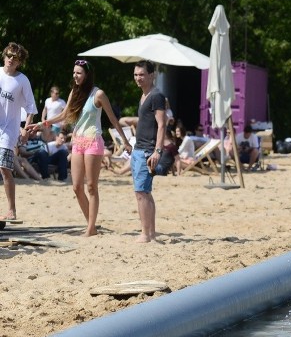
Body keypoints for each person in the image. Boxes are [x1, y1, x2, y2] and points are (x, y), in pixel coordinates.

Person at [35, 59, 131, 236]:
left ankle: (90, 228)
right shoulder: (74, 92)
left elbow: (112, 119)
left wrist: (125, 141)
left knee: (92, 186)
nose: (75, 76)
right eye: (74, 73)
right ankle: (91, 225)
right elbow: (64, 115)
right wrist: (43, 123)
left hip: (93, 142)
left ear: (87, 74)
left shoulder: (98, 94)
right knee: (76, 187)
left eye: (78, 73)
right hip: (78, 142)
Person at [0, 42, 38, 221]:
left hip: (9, 130)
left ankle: (12, 210)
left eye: (14, 58)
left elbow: (31, 107)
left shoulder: (22, 80)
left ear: (19, 62)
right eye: (8, 55)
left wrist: (25, 129)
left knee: (4, 168)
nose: (10, 59)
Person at [130, 60, 166, 243]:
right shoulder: (144, 95)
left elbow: (161, 124)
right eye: (136, 74)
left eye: (142, 74)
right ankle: (150, 233)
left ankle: (146, 234)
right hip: (139, 149)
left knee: (141, 193)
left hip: (147, 151)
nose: (138, 78)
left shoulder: (156, 95)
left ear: (152, 75)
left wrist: (157, 150)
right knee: (145, 192)